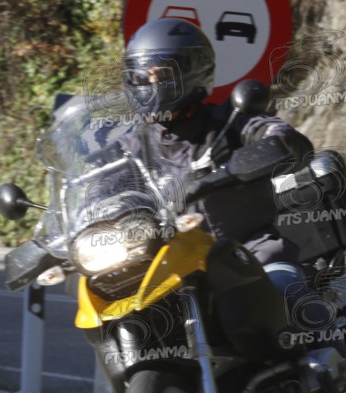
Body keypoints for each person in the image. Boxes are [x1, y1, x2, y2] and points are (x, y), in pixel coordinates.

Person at [117, 17, 319, 318]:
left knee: (284, 294)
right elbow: (100, 184)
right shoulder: (131, 147)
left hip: (250, 254)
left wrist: (268, 149)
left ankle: (326, 345)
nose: (148, 82)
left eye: (161, 73)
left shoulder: (231, 122)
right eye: (140, 74)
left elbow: (283, 139)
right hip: (168, 269)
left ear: (192, 71)